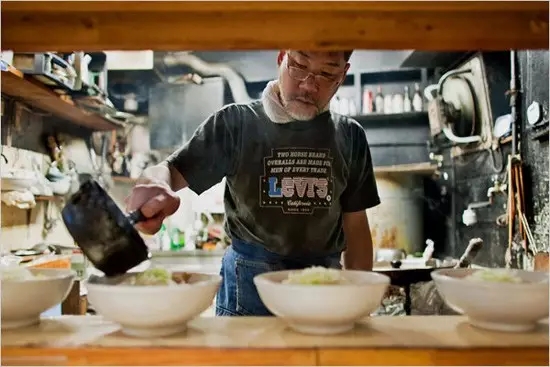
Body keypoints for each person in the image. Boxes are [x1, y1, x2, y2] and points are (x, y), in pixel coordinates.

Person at [126, 50, 381, 316]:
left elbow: (356, 225)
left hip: (323, 289)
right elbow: (168, 171)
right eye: (298, 66)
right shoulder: (236, 123)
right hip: (247, 288)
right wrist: (155, 185)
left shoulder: (350, 136)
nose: (308, 84)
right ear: (281, 57)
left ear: (342, 75)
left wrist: (361, 304)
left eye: (327, 73)